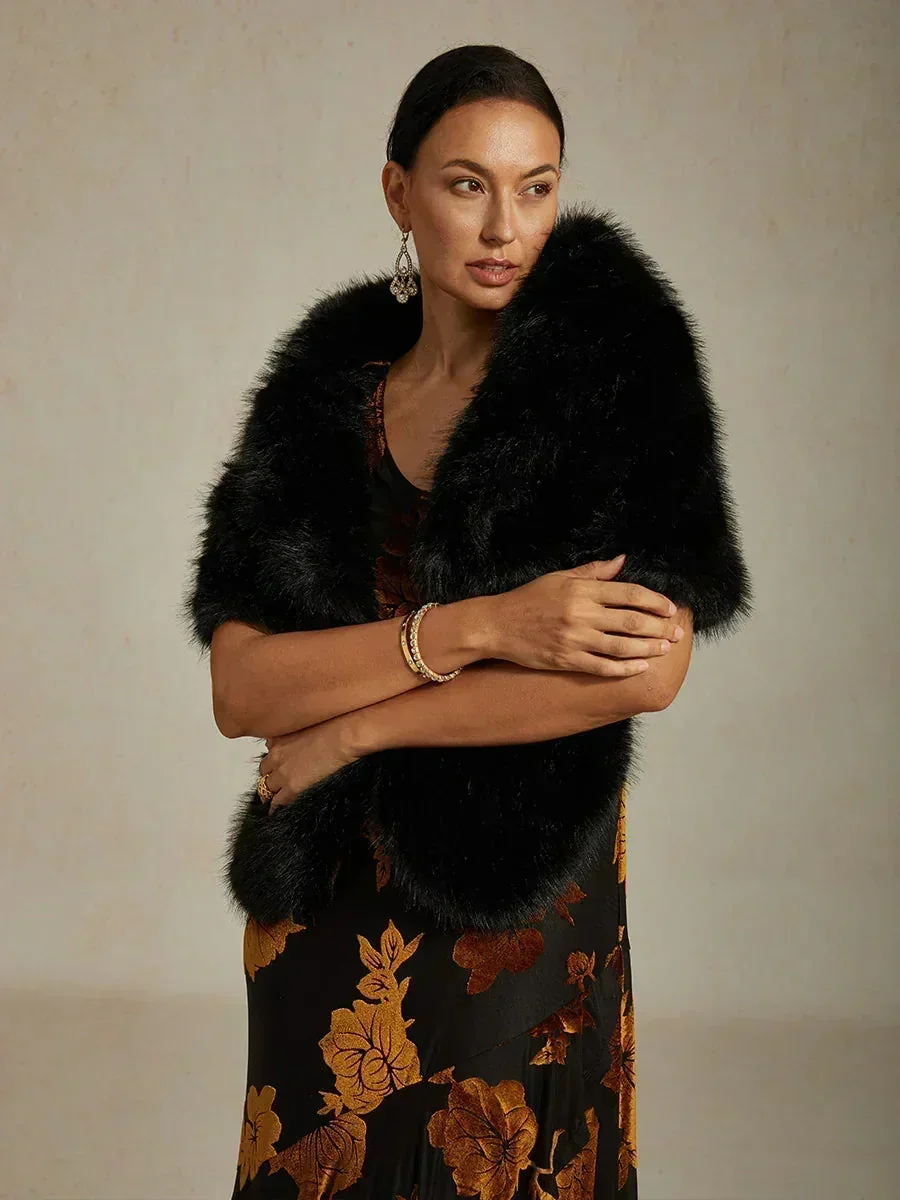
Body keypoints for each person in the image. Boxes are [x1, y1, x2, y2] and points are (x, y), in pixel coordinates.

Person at [183, 43, 751, 1200]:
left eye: (536, 187)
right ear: (399, 195)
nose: (505, 226)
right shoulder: (324, 390)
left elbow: (644, 673)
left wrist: (359, 728)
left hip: (519, 908)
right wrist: (479, 627)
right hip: (327, 911)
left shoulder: (612, 374)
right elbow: (241, 688)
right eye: (466, 184)